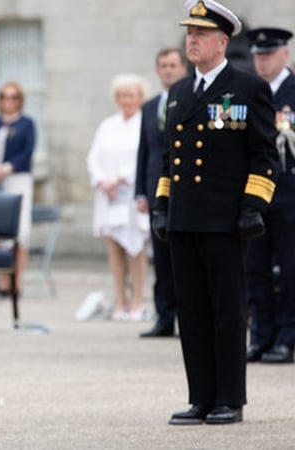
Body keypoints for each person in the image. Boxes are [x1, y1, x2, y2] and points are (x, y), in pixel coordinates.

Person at [154, 0, 279, 425]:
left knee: (227, 313)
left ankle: (230, 398)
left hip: (225, 221)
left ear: (223, 42)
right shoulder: (178, 93)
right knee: (191, 313)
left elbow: (264, 155)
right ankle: (201, 397)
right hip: (184, 220)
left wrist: (252, 206)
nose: (192, 40)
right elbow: (170, 159)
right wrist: (163, 205)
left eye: (201, 34)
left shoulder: (247, 88)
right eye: (189, 33)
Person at [243, 27, 295, 364]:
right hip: (255, 195)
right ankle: (261, 335)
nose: (262, 62)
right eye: (258, 56)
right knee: (255, 268)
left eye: (269, 55)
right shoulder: (248, 91)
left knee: (290, 270)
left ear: (285, 54)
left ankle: (287, 336)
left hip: (290, 195)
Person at [86, 73, 150, 322]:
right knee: (114, 247)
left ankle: (137, 302)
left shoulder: (144, 123)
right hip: (109, 196)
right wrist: (102, 180)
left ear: (140, 97)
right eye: (122, 95)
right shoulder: (108, 125)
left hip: (131, 193)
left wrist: (120, 178)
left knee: (136, 248)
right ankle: (121, 301)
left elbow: (143, 157)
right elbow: (93, 157)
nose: (127, 100)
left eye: (131, 95)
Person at [136, 48, 188, 337]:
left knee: (184, 258)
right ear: (157, 70)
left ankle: (187, 317)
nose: (168, 70)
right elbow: (144, 151)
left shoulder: (190, 99)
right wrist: (140, 192)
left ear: (183, 68)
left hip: (183, 189)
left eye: (173, 65)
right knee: (161, 258)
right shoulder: (149, 106)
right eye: (164, 65)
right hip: (155, 189)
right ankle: (164, 317)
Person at [0, 81, 37, 295]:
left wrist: (6, 168)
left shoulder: (27, 124)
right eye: (5, 97)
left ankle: (17, 281)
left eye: (13, 97)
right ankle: (2, 281)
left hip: (17, 179)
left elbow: (27, 152)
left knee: (20, 231)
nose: (9, 101)